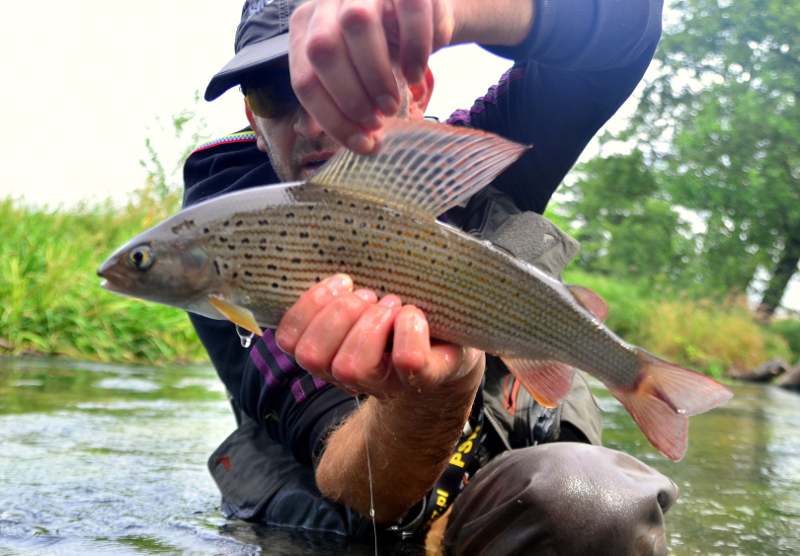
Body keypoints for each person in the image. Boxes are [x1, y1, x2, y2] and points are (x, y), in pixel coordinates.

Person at [184, 0, 679, 554]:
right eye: (275, 94)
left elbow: (628, 29)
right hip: (346, 514)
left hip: (513, 492)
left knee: (591, 502)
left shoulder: (466, 156)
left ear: (416, 91)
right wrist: (443, 388)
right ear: (253, 119)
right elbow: (365, 488)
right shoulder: (229, 227)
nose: (314, 121)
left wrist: (454, 10)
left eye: (351, 78)